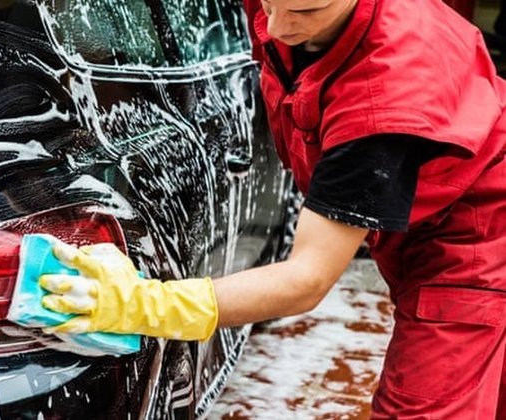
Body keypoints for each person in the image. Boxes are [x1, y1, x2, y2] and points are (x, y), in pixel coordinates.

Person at [38, 0, 506, 417]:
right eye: (270, 4)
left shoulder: (381, 103)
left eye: (306, 13)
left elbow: (306, 279)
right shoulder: (297, 17)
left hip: (477, 242)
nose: (278, 28)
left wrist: (145, 304)